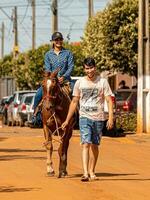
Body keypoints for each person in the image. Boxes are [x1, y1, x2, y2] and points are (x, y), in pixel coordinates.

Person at [61, 57, 114, 182]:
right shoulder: (80, 83)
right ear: (84, 69)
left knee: (95, 146)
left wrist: (110, 117)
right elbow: (74, 102)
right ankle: (85, 173)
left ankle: (92, 171)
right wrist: (67, 120)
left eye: (91, 68)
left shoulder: (103, 82)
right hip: (84, 117)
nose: (89, 71)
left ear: (95, 68)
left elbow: (109, 100)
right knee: (85, 144)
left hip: (99, 118)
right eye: (87, 68)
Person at [32, 31, 74, 125]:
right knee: (38, 94)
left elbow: (71, 67)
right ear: (53, 41)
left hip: (65, 81)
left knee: (76, 93)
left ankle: (78, 115)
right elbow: (47, 68)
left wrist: (64, 77)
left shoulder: (68, 53)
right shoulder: (48, 55)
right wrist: (52, 78)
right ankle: (35, 115)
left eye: (60, 39)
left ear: (62, 40)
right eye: (56, 40)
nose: (58, 41)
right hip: (52, 81)